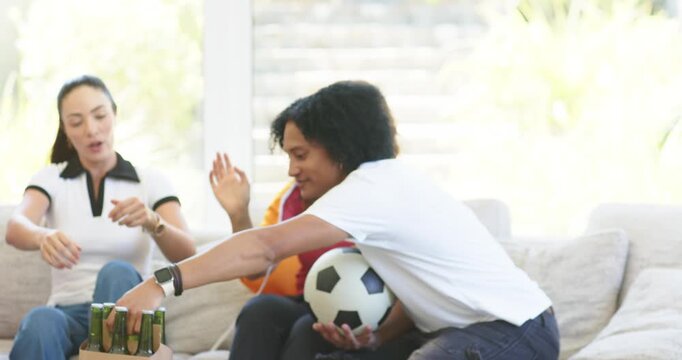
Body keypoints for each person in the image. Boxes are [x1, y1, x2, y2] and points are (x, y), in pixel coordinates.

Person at [114, 80, 560, 360]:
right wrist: (377, 338)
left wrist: (158, 284)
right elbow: (420, 285)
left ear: (341, 149)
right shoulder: (384, 189)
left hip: (515, 331)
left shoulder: (372, 188)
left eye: (300, 155)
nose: (292, 170)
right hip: (458, 330)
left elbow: (264, 248)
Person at [5, 75, 196, 360]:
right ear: (65, 129)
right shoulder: (52, 178)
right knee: (40, 321)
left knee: (116, 272)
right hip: (69, 314)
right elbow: (15, 226)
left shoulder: (149, 181)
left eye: (100, 116)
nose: (91, 130)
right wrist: (41, 235)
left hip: (129, 314)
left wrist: (152, 221)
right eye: (76, 122)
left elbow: (188, 253)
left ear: (114, 115)